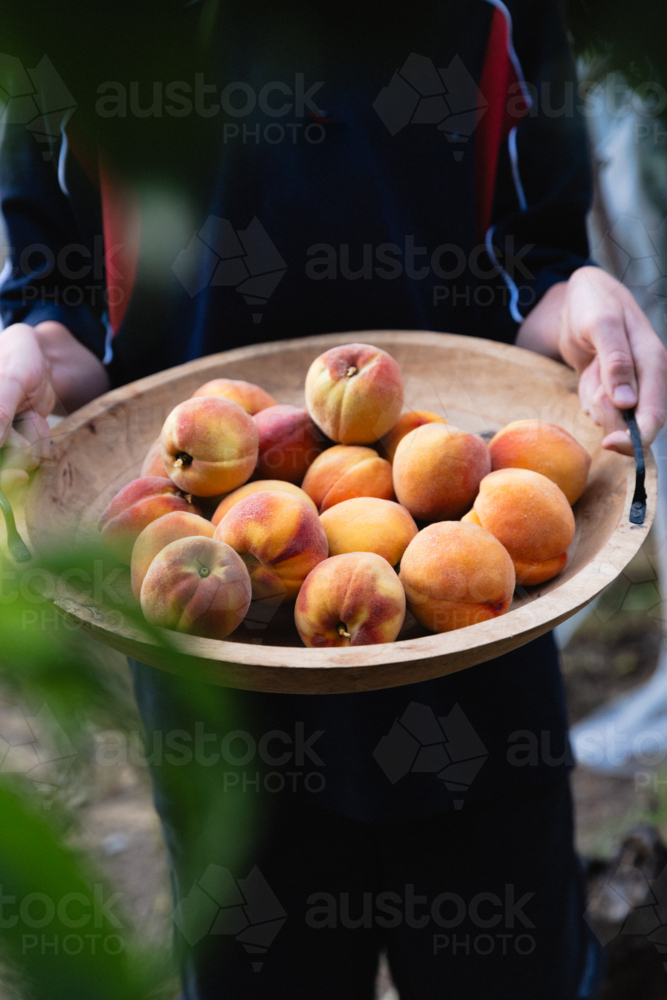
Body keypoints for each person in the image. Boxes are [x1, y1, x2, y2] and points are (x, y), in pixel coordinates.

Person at [1, 1, 666, 997]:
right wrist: (31, 353)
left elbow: (529, 255)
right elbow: (65, 296)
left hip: (474, 639)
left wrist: (580, 299)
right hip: (221, 658)